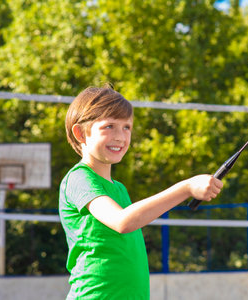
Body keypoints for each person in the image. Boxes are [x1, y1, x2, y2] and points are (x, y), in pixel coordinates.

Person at [59, 86, 223, 299]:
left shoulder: (119, 189)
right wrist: (186, 188)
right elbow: (123, 222)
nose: (120, 136)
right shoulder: (79, 178)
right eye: (109, 126)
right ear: (81, 133)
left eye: (126, 127)